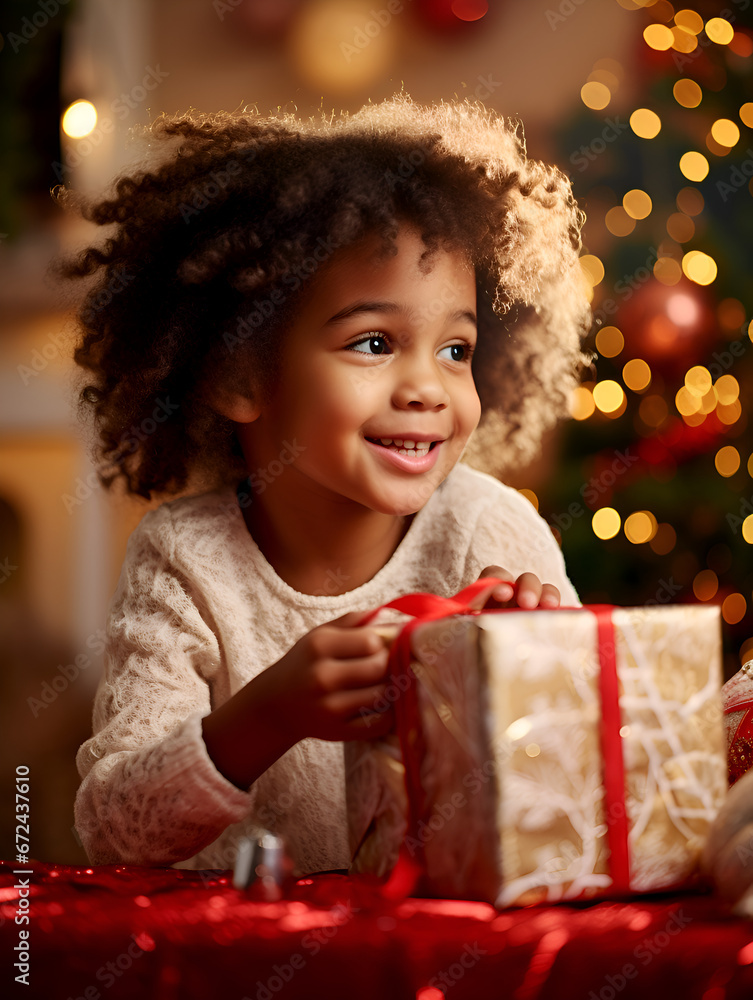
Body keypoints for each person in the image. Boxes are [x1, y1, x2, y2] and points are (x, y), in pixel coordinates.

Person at [62, 94, 591, 874]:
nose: (428, 388)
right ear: (239, 374)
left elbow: (585, 789)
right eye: (375, 342)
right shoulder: (184, 559)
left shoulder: (494, 531)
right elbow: (114, 831)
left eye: (455, 350)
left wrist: (533, 670)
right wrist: (268, 712)